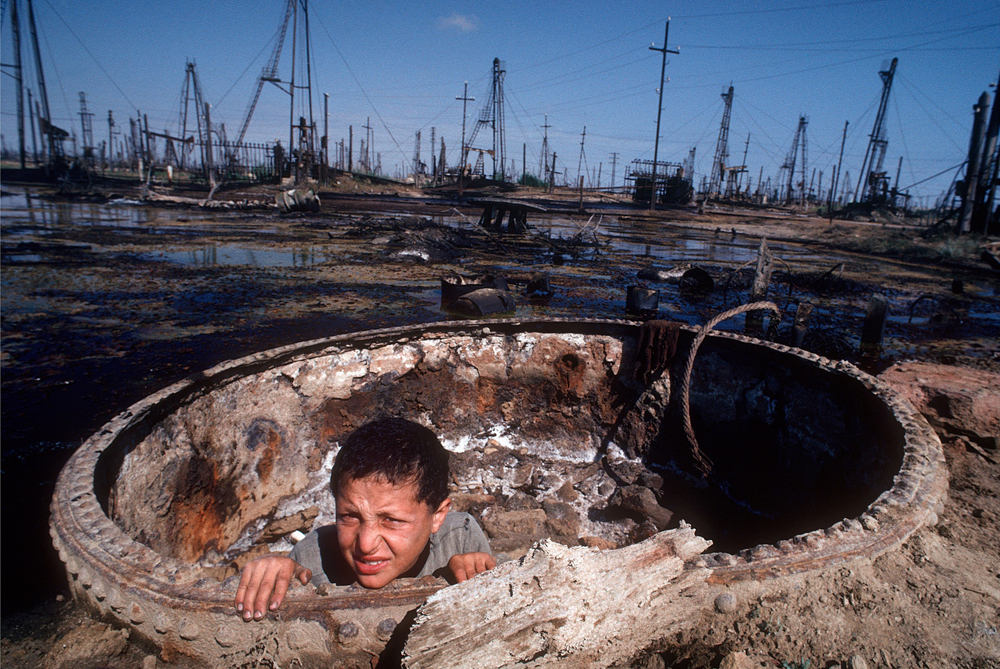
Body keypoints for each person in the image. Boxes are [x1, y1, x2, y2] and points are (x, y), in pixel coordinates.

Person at [234, 417, 495, 621]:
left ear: (437, 516)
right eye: (349, 516)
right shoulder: (310, 558)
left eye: (391, 520)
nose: (366, 544)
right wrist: (275, 575)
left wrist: (480, 577)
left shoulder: (460, 538)